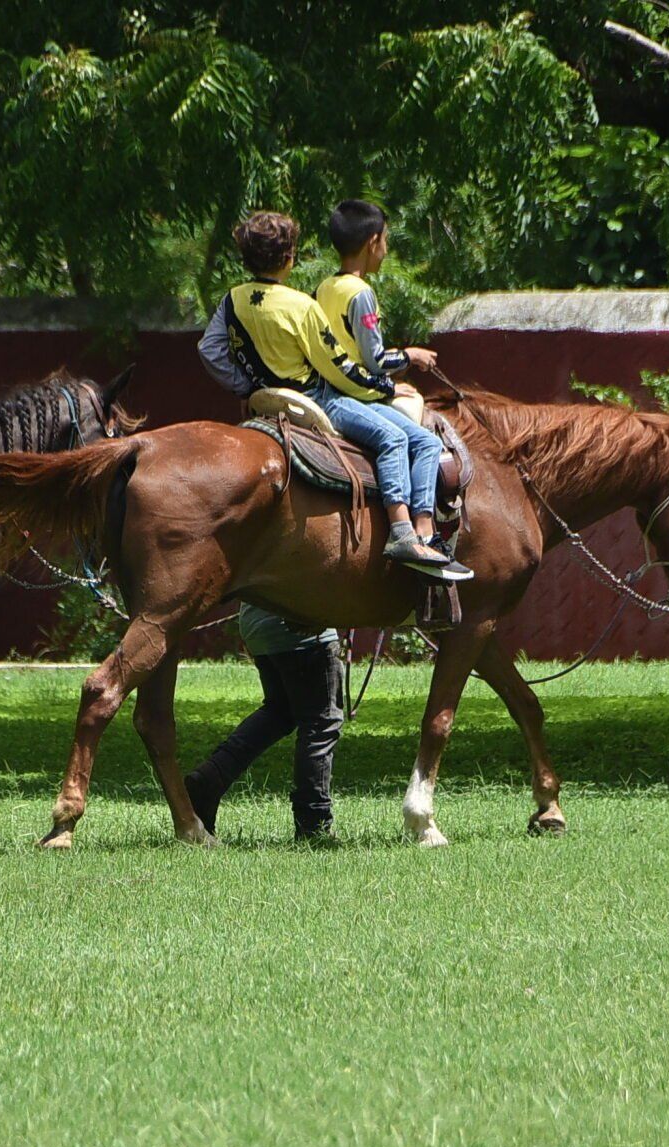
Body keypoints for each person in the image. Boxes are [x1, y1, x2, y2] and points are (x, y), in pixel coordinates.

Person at [197, 211, 472, 582]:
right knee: (404, 439)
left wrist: (245, 385)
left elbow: (209, 349)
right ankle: (409, 533)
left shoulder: (233, 301)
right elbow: (339, 370)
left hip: (266, 399)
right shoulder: (300, 306)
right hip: (318, 399)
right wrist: (388, 387)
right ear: (290, 256)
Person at [184, 605, 345, 840]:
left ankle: (209, 779)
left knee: (280, 712)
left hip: (258, 626)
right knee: (321, 723)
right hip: (302, 628)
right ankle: (314, 824)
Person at [314, 199, 438, 428]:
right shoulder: (361, 293)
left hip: (327, 389)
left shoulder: (324, 287)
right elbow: (376, 362)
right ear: (373, 243)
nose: (386, 249)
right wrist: (412, 355)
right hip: (356, 393)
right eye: (385, 240)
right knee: (425, 443)